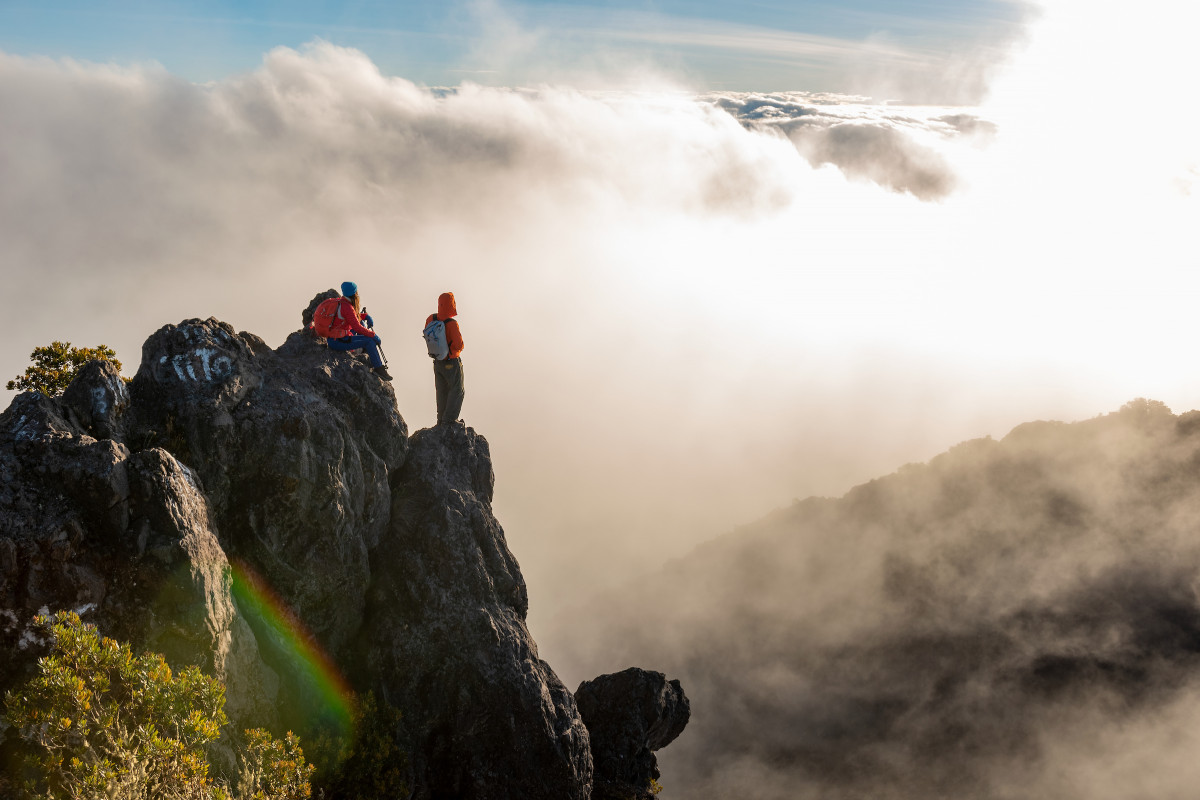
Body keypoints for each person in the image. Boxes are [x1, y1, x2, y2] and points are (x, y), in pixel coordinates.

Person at [325, 281, 392, 381]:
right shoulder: (347, 307)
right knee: (369, 341)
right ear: (354, 293)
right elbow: (356, 327)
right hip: (338, 341)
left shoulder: (341, 302)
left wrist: (365, 316)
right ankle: (378, 368)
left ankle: (364, 350)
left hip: (334, 338)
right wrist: (373, 335)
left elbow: (352, 318)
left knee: (362, 325)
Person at [426, 292, 464, 425]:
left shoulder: (431, 319)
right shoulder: (452, 323)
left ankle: (440, 419)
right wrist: (454, 351)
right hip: (451, 362)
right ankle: (450, 420)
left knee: (441, 390)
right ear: (452, 304)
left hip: (437, 361)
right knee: (457, 389)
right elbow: (459, 345)